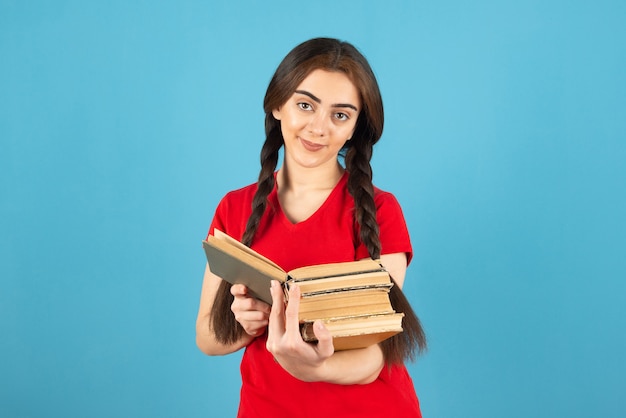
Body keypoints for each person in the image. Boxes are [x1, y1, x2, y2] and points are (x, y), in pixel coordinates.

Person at [196, 37, 426, 418]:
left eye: (340, 114)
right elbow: (207, 336)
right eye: (306, 105)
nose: (318, 128)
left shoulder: (382, 210)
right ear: (278, 105)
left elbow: (377, 353)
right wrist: (248, 324)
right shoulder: (233, 208)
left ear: (355, 127)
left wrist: (315, 367)